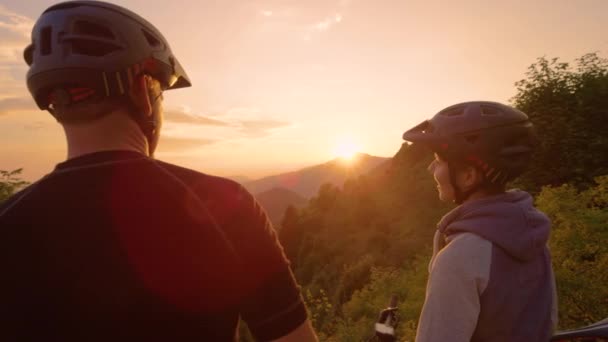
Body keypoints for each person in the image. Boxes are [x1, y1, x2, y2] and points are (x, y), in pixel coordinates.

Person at [0, 1, 317, 341]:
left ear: (55, 104)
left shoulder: (8, 223)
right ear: (143, 92)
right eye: (161, 93)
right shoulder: (225, 206)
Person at [402, 101, 558, 342]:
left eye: (439, 159)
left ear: (468, 176)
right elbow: (546, 321)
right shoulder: (533, 235)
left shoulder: (459, 258)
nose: (431, 167)